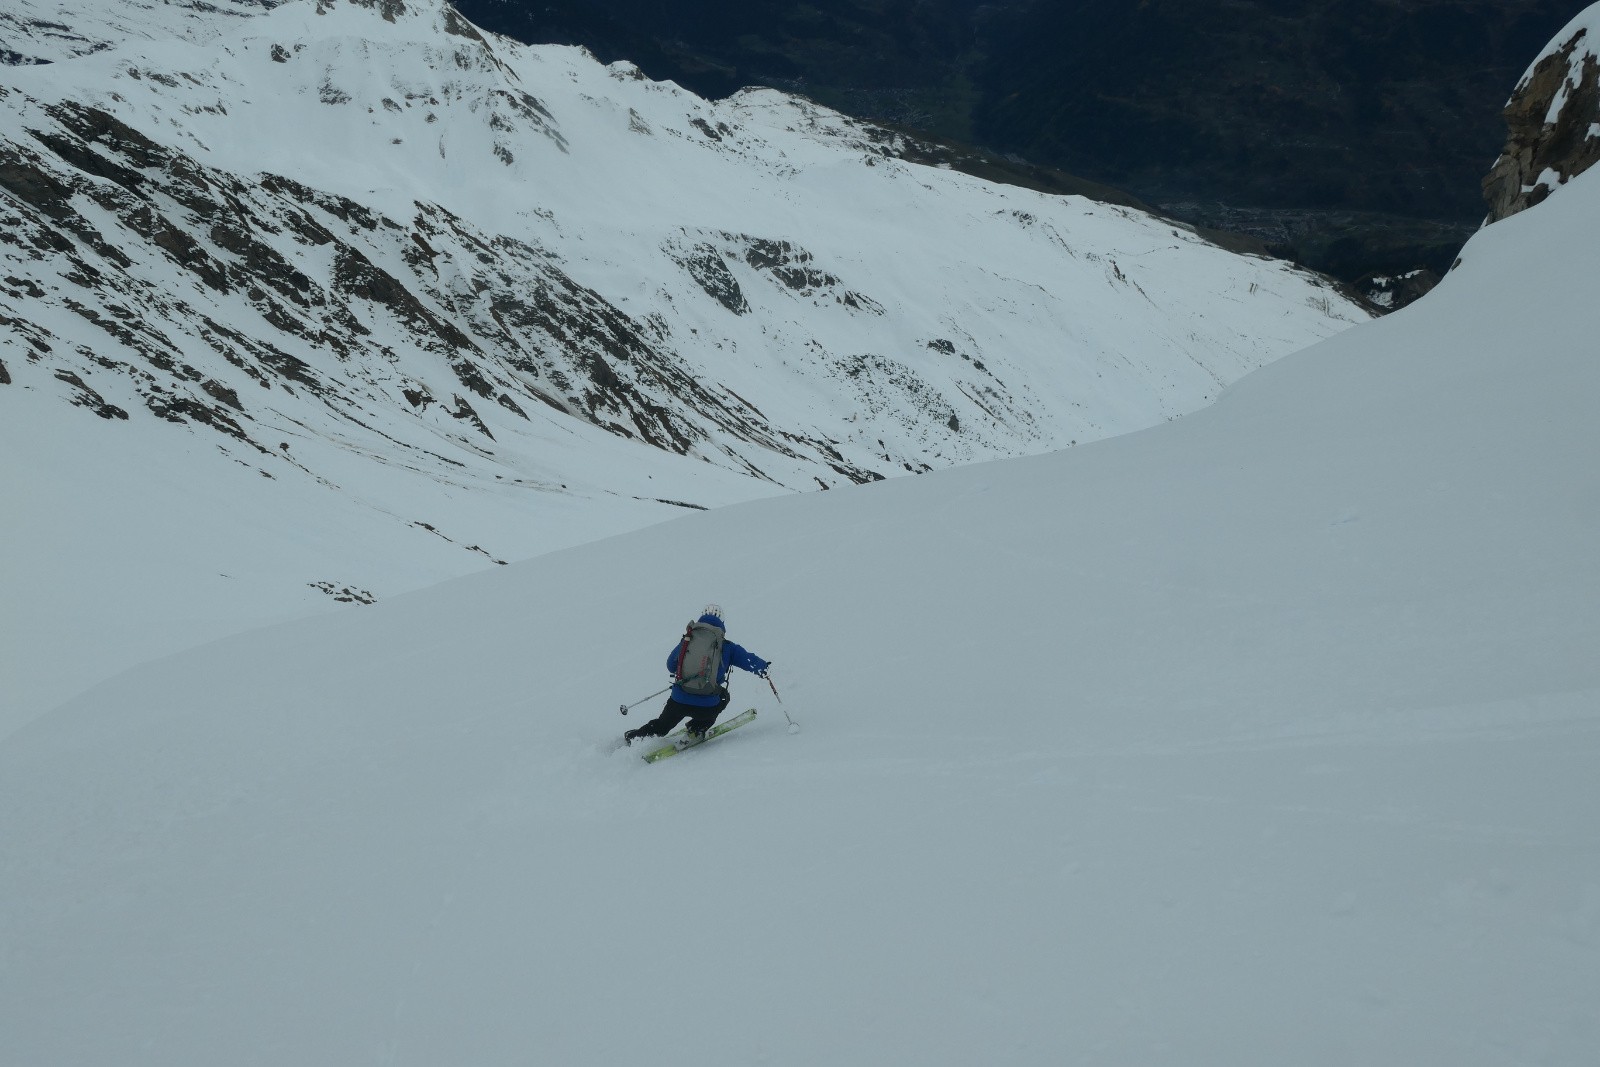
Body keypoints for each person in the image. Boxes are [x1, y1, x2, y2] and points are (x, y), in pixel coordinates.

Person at [624, 604, 770, 745]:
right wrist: (764, 669)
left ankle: (636, 737)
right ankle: (697, 728)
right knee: (724, 696)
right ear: (722, 623)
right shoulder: (728, 647)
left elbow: (671, 665)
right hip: (707, 706)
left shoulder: (688, 639)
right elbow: (750, 662)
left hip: (678, 701)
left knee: (662, 725)